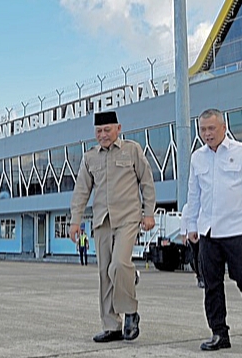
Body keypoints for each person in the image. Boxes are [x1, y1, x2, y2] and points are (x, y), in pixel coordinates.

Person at [183, 109, 242, 351]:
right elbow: (194, 193)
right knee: (211, 284)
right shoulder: (197, 158)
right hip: (208, 230)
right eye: (203, 129)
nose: (207, 134)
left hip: (238, 228)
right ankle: (219, 332)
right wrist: (191, 224)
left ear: (223, 127)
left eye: (211, 128)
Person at [69, 110, 156, 343]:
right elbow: (81, 191)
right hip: (101, 221)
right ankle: (111, 325)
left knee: (118, 264)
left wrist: (149, 213)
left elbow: (146, 181)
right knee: (105, 273)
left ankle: (130, 312)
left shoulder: (132, 150)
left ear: (118, 128)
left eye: (107, 130)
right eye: (99, 131)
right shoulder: (90, 158)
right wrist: (75, 220)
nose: (103, 135)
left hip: (128, 218)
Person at [180, 204, 204, 289]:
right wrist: (183, 235)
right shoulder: (187, 207)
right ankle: (200, 278)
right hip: (193, 234)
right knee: (197, 256)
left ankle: (204, 277)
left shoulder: (204, 205)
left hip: (203, 234)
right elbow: (184, 220)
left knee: (202, 257)